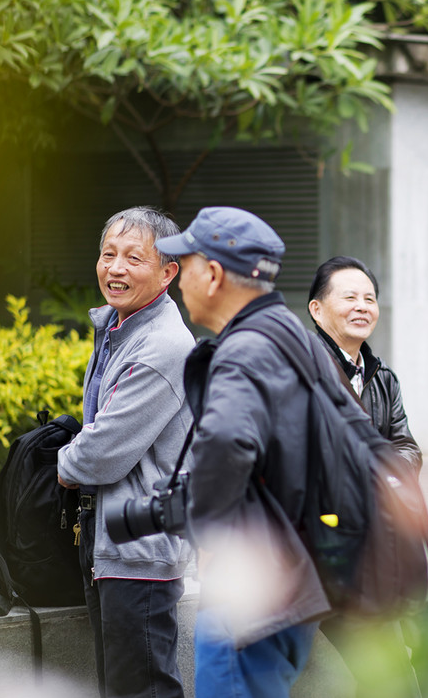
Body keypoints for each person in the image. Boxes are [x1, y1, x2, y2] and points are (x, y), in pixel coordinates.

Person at [156, 206, 334, 698]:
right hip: (295, 575)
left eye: (185, 265)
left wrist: (211, 539)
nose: (180, 279)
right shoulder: (294, 335)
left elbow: (229, 442)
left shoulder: (243, 350)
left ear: (212, 274)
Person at [308, 256, 428, 698]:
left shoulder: (382, 377)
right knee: (391, 676)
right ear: (317, 309)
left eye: (370, 298)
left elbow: (407, 447)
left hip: (385, 544)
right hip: (329, 556)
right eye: (349, 297)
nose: (362, 306)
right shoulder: (300, 375)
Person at [56, 206, 195, 698]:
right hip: (112, 539)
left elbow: (102, 453)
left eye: (133, 258)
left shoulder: (162, 344)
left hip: (140, 546)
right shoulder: (119, 327)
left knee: (142, 690)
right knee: (121, 686)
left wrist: (62, 464)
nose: (115, 269)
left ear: (168, 270)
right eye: (108, 254)